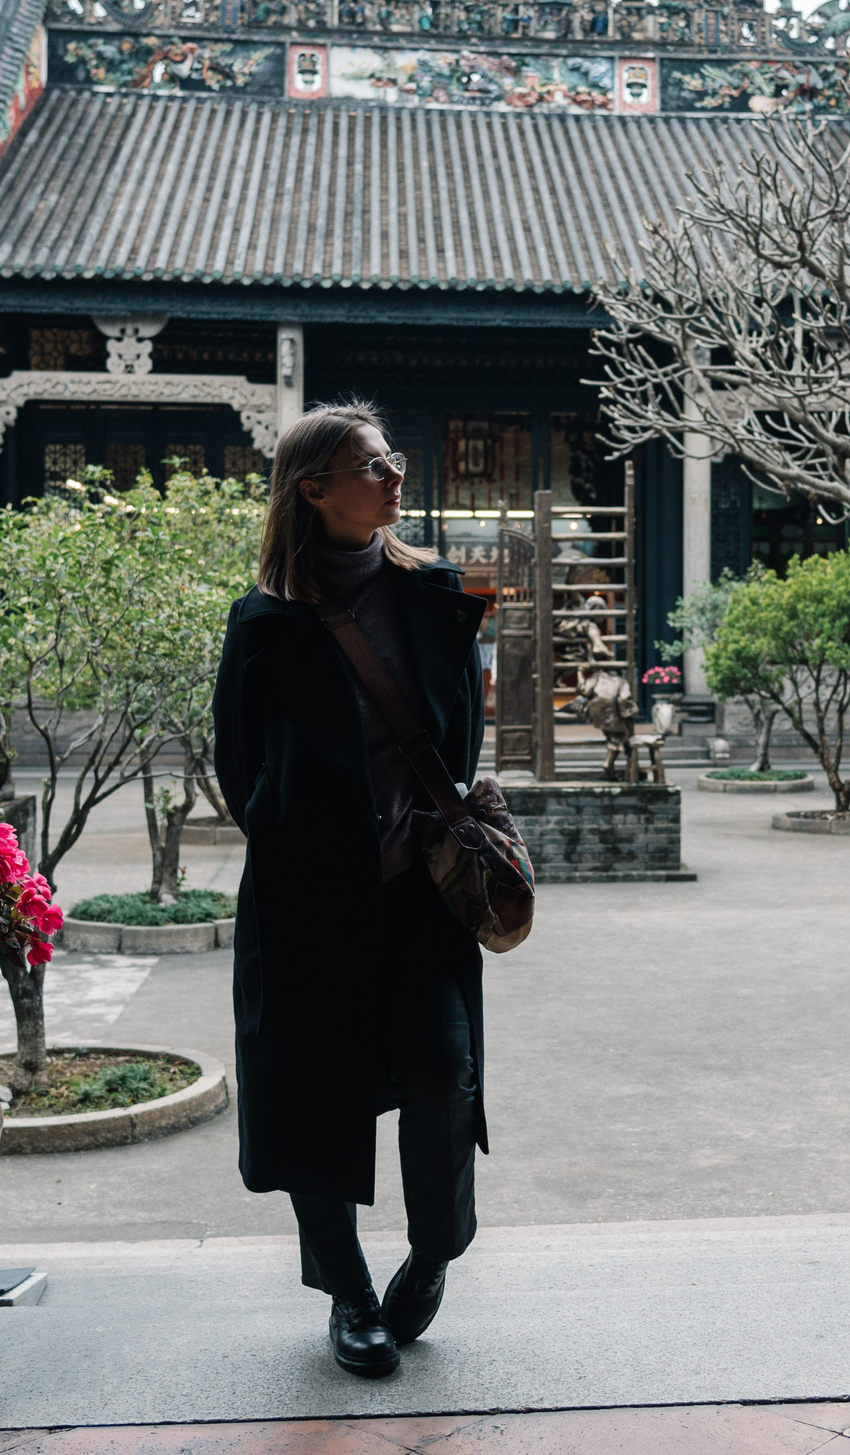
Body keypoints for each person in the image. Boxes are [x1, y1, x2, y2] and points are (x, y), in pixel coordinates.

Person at [211, 401, 491, 1378]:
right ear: (313, 489)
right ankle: (348, 1291)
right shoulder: (264, 625)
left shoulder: (432, 596)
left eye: (392, 460)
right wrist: (311, 840)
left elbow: (461, 735)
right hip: (307, 904)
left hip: (423, 892)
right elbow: (237, 765)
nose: (394, 477)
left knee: (443, 1077)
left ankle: (434, 1252)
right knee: (311, 1094)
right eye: (372, 466)